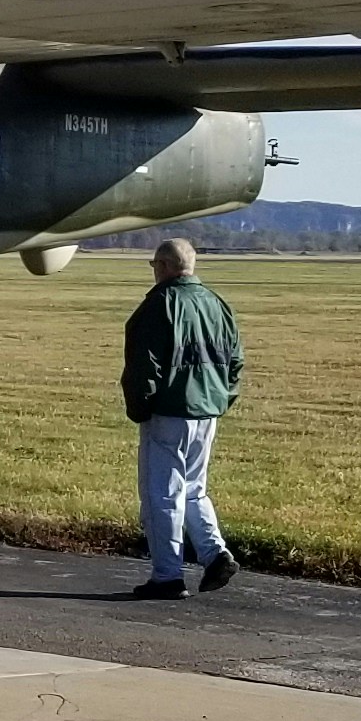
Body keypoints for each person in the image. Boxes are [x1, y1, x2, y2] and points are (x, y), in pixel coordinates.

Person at [120, 238, 243, 598]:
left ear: (165, 266)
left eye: (155, 265)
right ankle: (214, 553)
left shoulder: (161, 303)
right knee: (194, 489)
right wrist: (221, 397)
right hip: (208, 410)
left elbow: (145, 364)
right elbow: (235, 360)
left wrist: (139, 407)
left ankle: (167, 576)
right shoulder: (217, 304)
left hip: (169, 410)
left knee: (162, 495)